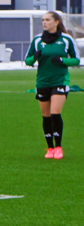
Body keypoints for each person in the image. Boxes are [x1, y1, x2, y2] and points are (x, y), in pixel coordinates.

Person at [24, 11, 78, 159]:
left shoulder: (66, 39)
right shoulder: (37, 40)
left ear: (56, 22)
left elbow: (76, 60)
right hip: (42, 81)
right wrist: (34, 58)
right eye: (43, 20)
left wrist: (62, 61)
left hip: (60, 81)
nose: (44, 22)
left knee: (55, 113)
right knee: (45, 116)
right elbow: (27, 61)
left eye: (47, 20)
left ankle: (59, 147)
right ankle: (50, 148)